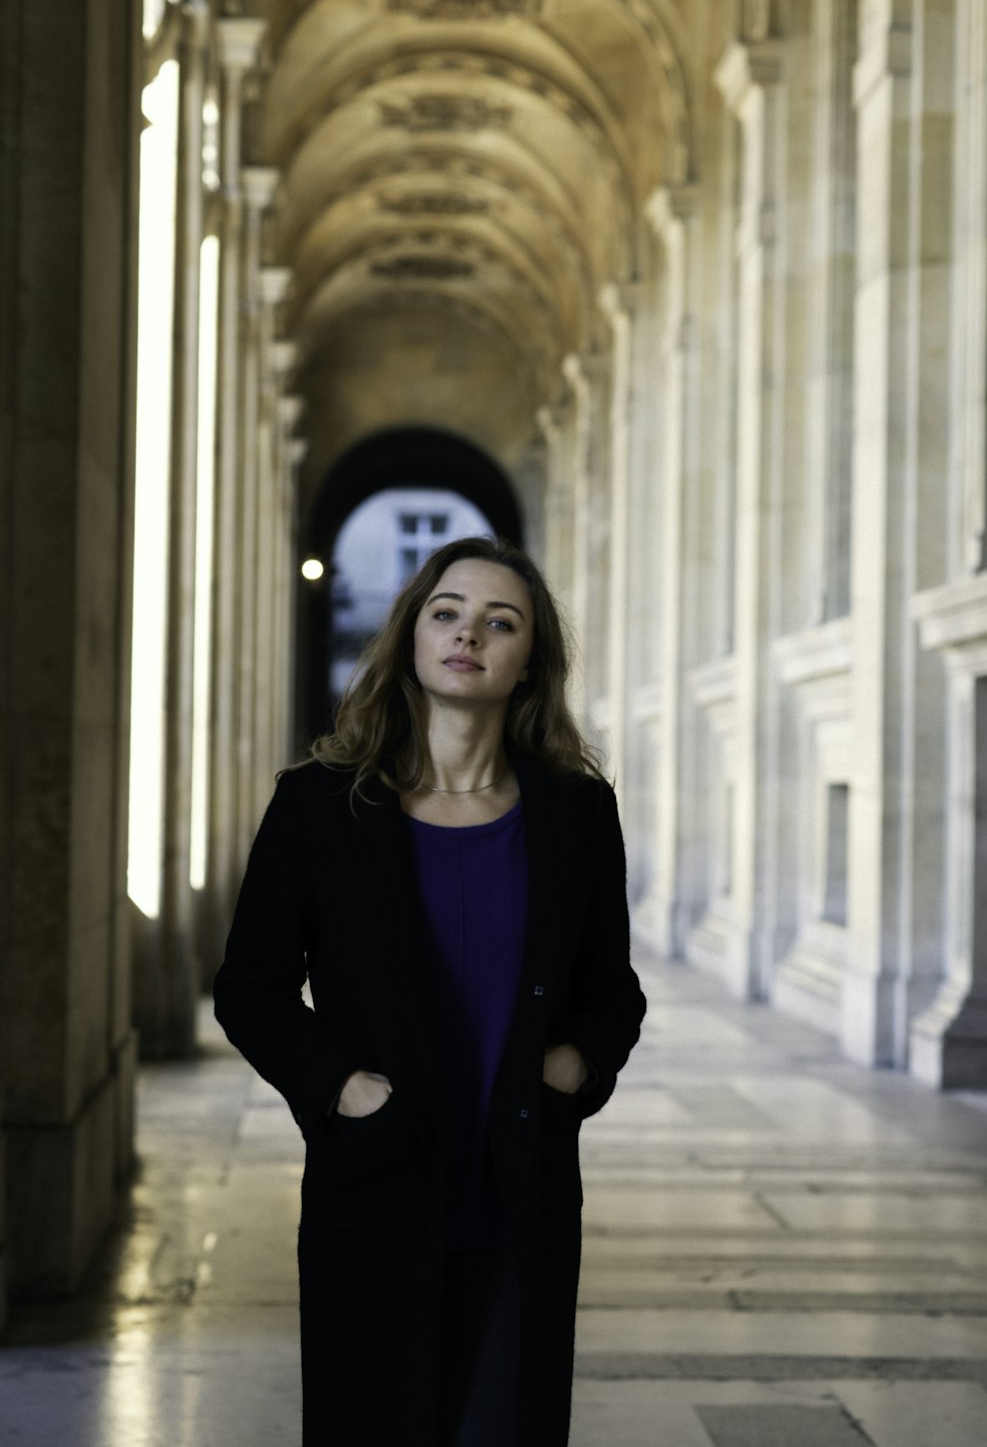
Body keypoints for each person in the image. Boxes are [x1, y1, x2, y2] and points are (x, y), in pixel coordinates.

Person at [213, 536, 645, 1447]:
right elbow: (249, 989)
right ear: (411, 636)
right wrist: (343, 1088)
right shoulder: (320, 805)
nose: (469, 635)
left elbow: (613, 988)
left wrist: (572, 1066)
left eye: (502, 622)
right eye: (446, 613)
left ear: (530, 663)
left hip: (520, 1198)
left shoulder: (577, 812)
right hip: (376, 1188)